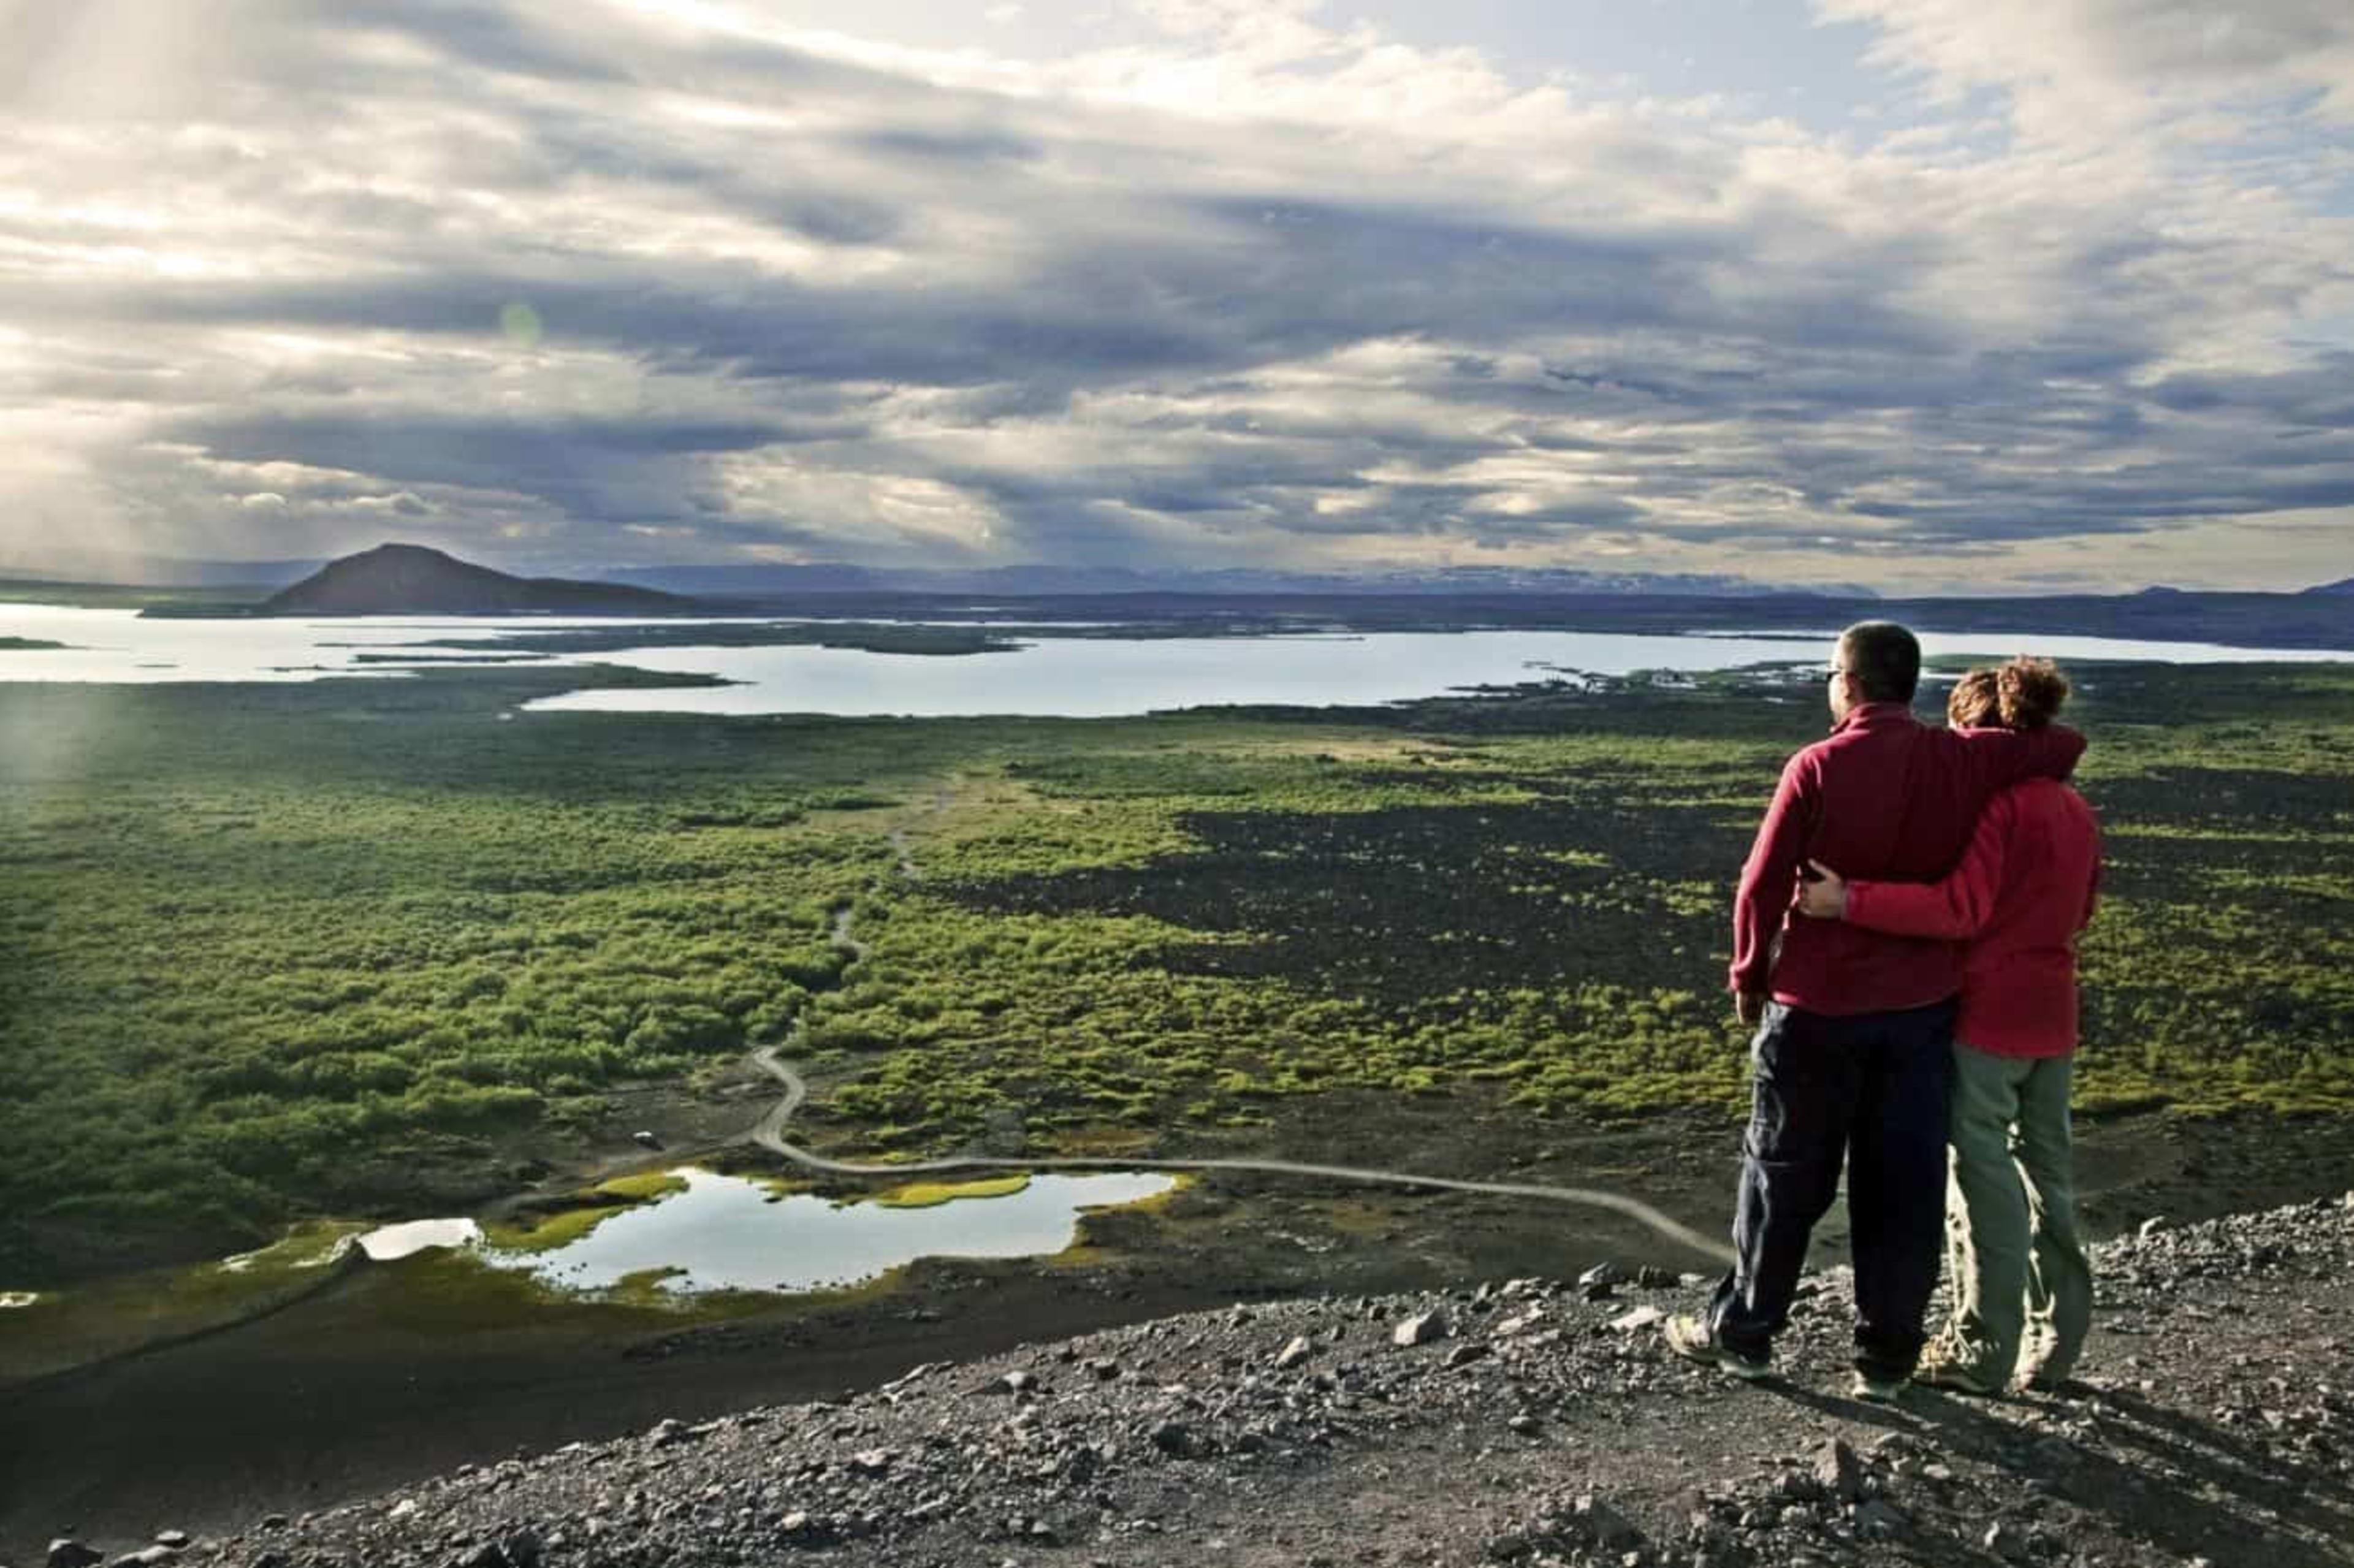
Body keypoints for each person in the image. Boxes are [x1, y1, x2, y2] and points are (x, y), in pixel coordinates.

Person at [1663, 622, 2086, 1402]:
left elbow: (1760, 884)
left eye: (1831, 672)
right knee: (1904, 1185)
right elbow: (2064, 746)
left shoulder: (1818, 764)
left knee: (1785, 1176)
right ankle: (1887, 1358)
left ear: (1850, 684)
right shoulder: (1958, 760)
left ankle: (1747, 1334)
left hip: (1816, 1010)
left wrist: (1750, 972)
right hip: (1921, 1014)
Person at [1795, 658, 2099, 1396]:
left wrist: (1850, 900)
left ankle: (1982, 1346)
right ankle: (2057, 1342)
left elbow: (1959, 909)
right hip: (2053, 1015)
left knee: (1981, 1178)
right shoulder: (2072, 809)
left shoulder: (1998, 809)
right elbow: (2081, 910)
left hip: (1986, 1015)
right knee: (2049, 1174)